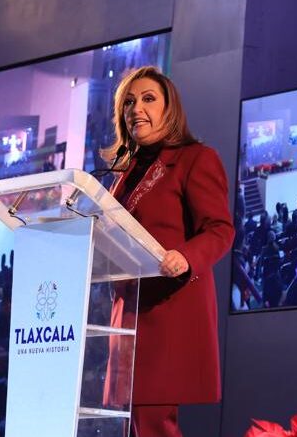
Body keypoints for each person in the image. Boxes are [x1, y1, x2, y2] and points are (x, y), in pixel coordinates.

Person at [102, 66, 234, 437]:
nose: (136, 109)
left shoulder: (195, 158)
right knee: (133, 426)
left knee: (153, 423)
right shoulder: (123, 175)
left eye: (148, 99)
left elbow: (220, 229)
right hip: (127, 316)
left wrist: (186, 256)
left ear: (169, 108)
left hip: (167, 309)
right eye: (129, 102)